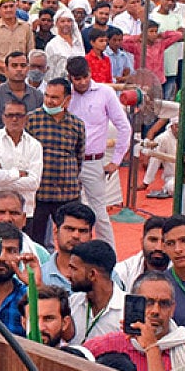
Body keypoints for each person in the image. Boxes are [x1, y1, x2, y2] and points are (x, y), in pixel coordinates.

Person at [65, 56, 131, 246]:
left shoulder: (105, 92)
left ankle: (108, 254)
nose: (83, 82)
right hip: (68, 161)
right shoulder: (65, 95)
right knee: (68, 211)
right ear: (70, 78)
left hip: (94, 161)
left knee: (99, 212)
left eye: (85, 76)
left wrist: (116, 160)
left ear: (90, 73)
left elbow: (124, 127)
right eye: (77, 79)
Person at [84, 271, 185, 371]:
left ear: (172, 308)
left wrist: (151, 346)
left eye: (164, 303)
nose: (155, 311)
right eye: (148, 302)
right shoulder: (107, 345)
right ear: (133, 304)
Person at [26, 78, 86, 247]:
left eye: (54, 97)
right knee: (34, 241)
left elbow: (78, 156)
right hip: (39, 193)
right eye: (47, 96)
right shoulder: (31, 120)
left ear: (67, 100)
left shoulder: (77, 125)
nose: (49, 101)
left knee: (71, 239)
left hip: (68, 193)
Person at [0, 99, 43, 220]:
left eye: (19, 115)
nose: (14, 119)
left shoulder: (35, 145)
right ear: (3, 117)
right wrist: (18, 174)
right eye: (10, 115)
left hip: (23, 213)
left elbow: (34, 183)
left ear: (26, 118)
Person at [66, 240, 125, 344]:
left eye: (74, 269)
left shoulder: (125, 311)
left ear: (92, 274)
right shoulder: (72, 303)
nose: (68, 275)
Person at [113, 215, 170, 290]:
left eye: (164, 241)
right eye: (153, 240)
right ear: (142, 242)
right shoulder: (124, 272)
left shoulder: (181, 273)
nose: (158, 247)